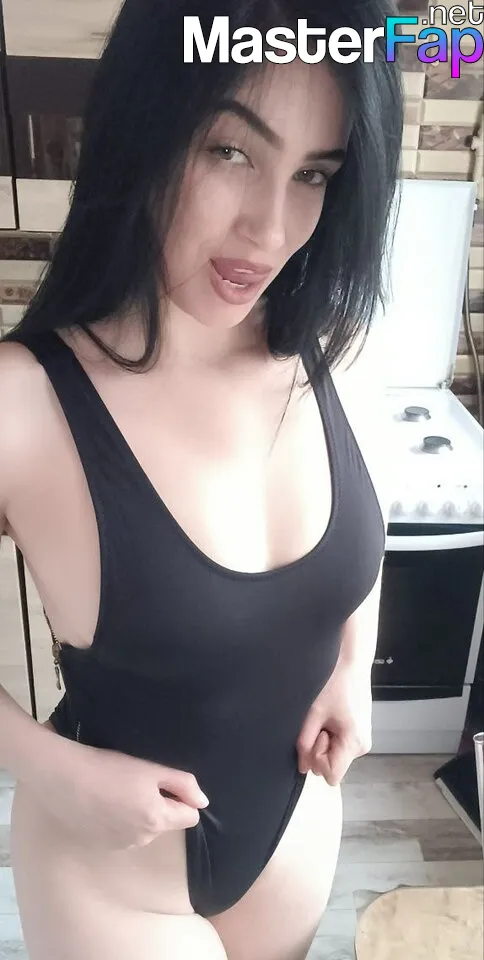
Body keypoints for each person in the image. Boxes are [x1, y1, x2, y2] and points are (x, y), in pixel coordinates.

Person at [0, 1, 403, 958]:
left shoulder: (329, 353)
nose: (271, 229)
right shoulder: (23, 402)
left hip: (297, 838)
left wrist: (353, 669)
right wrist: (43, 767)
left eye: (314, 174)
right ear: (146, 128)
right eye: (231, 151)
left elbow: (363, 540)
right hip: (114, 882)